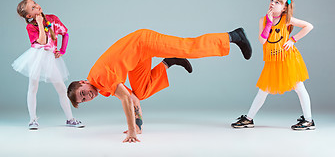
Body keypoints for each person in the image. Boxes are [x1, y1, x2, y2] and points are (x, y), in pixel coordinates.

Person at [67, 28, 252, 143]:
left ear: (83, 82)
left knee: (188, 47)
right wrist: (138, 125)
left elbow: (124, 99)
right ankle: (169, 62)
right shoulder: (101, 86)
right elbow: (132, 98)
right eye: (83, 100)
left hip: (142, 42)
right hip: (137, 59)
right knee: (141, 91)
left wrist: (132, 132)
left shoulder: (99, 77)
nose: (87, 97)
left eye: (82, 93)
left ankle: (233, 36)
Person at [231, 0, 315, 130]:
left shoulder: (287, 19)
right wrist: (269, 23)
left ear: (284, 8)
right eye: (272, 0)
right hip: (272, 60)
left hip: (287, 58)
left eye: (277, 2)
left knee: (299, 88)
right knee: (263, 90)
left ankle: (308, 120)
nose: (272, 3)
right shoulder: (263, 20)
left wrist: (293, 40)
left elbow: (309, 26)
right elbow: (262, 40)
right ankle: (248, 119)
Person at [12, 0, 84, 130]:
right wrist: (39, 23)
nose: (37, 6)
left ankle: (70, 118)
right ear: (29, 16)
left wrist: (62, 50)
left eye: (35, 3)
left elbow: (65, 33)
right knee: (33, 87)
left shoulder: (53, 19)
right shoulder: (30, 26)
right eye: (33, 7)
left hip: (50, 57)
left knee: (61, 88)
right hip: (37, 57)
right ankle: (32, 120)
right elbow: (42, 41)